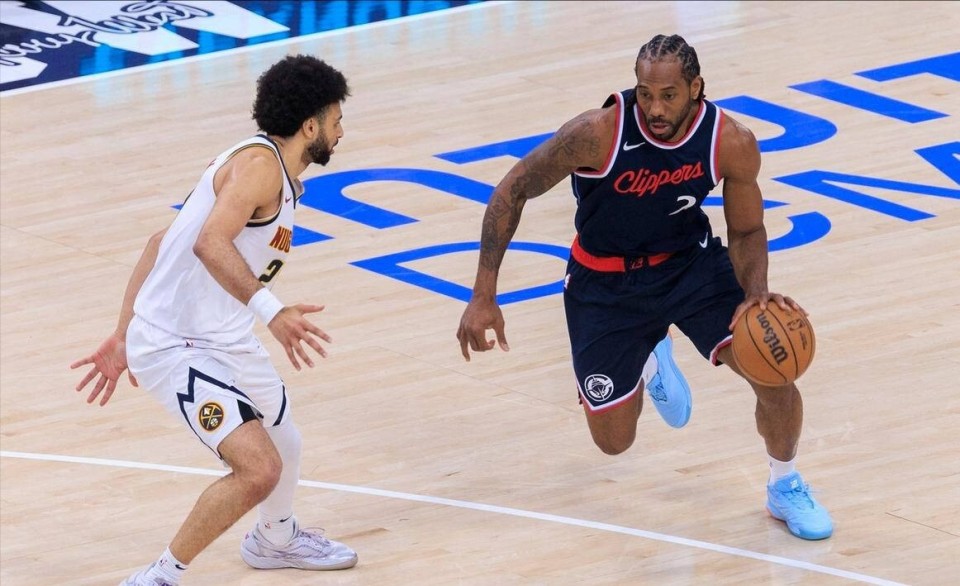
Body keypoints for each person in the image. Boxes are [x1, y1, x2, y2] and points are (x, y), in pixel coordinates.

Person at [456, 34, 833, 540]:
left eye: (668, 95)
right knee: (614, 442)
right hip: (604, 283)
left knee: (775, 373)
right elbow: (513, 188)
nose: (654, 108)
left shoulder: (730, 141)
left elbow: (746, 230)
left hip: (689, 267)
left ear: (696, 88)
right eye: (645, 93)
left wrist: (756, 293)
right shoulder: (597, 133)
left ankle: (784, 484)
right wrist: (483, 294)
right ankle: (651, 356)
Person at [70, 54, 358, 585]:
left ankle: (275, 540)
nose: (341, 132)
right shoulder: (260, 169)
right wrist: (273, 312)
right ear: (309, 126)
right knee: (259, 469)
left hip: (225, 337)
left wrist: (121, 332)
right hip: (176, 344)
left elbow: (161, 242)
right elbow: (208, 243)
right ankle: (159, 575)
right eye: (336, 120)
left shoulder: (267, 169)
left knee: (286, 440)